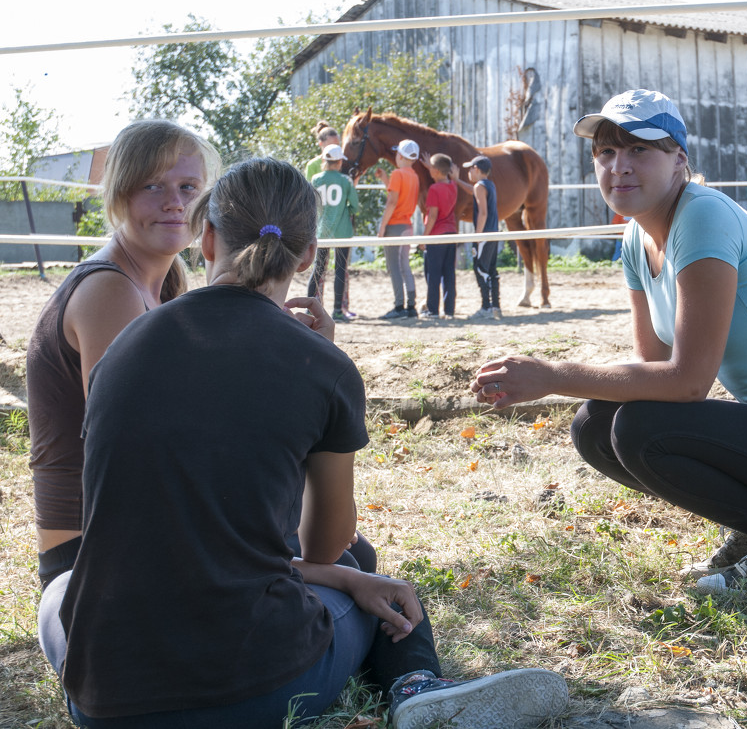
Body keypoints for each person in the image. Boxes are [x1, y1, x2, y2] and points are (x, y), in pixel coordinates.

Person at [36, 157, 570, 729]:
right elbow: (325, 547)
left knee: (60, 590)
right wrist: (328, 365)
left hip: (103, 699)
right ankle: (417, 686)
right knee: (365, 569)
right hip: (255, 690)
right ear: (309, 253)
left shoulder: (125, 338)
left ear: (207, 236)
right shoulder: (321, 364)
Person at [470, 89, 747, 597]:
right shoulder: (634, 237)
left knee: (642, 427)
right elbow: (652, 368)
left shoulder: (703, 217)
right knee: (596, 424)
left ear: (678, 161)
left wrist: (552, 375)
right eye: (606, 152)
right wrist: (561, 381)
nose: (618, 166)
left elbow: (687, 382)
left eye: (639, 149)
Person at [25, 119, 221, 591]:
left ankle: (414, 669)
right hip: (93, 553)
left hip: (134, 524)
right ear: (118, 196)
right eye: (152, 185)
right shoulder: (110, 290)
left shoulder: (165, 282)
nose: (175, 201)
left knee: (341, 550)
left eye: (188, 186)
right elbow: (133, 450)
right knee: (338, 560)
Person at [309, 144, 359, 322]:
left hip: (322, 231)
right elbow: (355, 206)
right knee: (340, 270)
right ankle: (338, 310)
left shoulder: (315, 179)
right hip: (342, 232)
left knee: (318, 269)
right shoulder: (345, 180)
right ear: (339, 162)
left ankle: (309, 308)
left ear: (324, 160)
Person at [375, 139, 421, 319]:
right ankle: (411, 306)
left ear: (400, 155)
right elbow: (399, 195)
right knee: (405, 266)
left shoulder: (398, 173)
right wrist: (385, 179)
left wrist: (382, 226)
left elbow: (392, 201)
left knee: (393, 267)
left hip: (394, 226)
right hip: (407, 225)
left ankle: (398, 306)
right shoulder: (414, 176)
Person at [461, 154, 501, 320]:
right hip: (493, 233)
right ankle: (496, 307)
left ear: (476, 169)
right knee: (491, 270)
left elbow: (482, 213)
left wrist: (477, 235)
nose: (469, 172)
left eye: (470, 168)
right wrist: (457, 181)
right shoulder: (489, 185)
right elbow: (474, 192)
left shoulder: (479, 186)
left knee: (480, 269)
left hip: (484, 234)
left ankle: (486, 307)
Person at [421, 153, 459, 318]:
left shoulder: (434, 189)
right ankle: (449, 309)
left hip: (437, 235)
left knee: (433, 274)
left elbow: (433, 215)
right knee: (449, 273)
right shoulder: (453, 186)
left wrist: (424, 237)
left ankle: (433, 310)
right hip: (451, 233)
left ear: (435, 171)